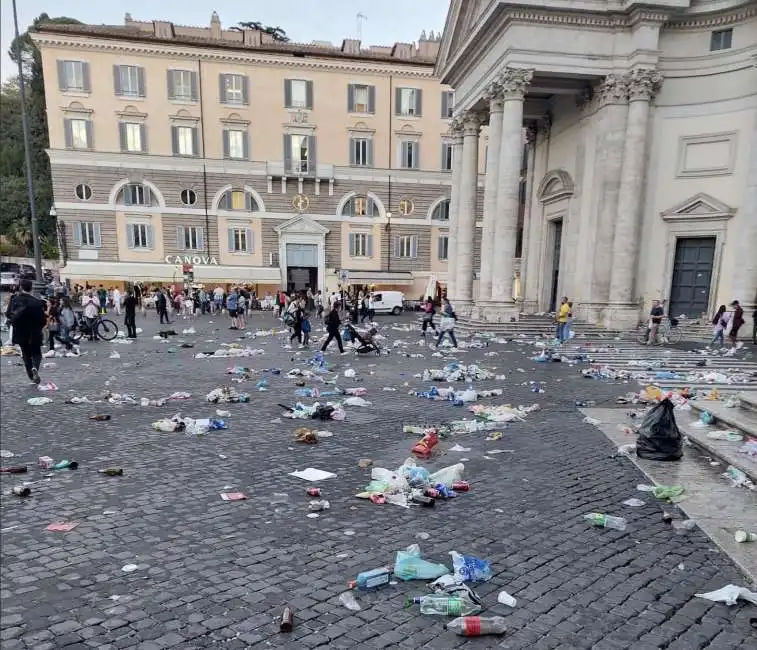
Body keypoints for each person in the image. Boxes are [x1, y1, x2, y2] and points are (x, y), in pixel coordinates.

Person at [5, 278, 46, 384]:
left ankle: (31, 375)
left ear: (21, 287)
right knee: (37, 353)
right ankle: (35, 367)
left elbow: (8, 314)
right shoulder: (37, 302)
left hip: (20, 332)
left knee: (26, 354)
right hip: (34, 332)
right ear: (31, 288)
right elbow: (42, 319)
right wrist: (39, 327)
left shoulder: (15, 300)